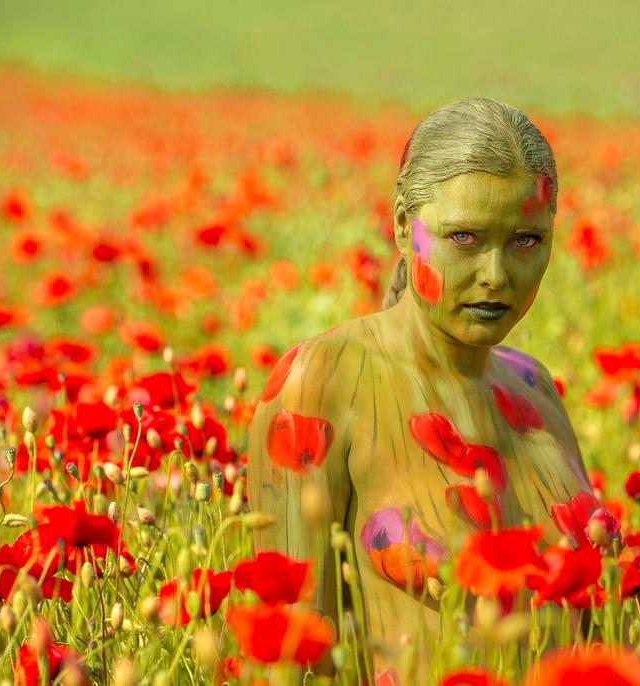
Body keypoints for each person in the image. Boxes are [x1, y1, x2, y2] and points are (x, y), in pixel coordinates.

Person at [246, 97, 612, 683]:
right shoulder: (322, 381)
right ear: (400, 225)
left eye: (525, 240)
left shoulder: (535, 388)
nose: (495, 274)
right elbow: (290, 659)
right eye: (464, 237)